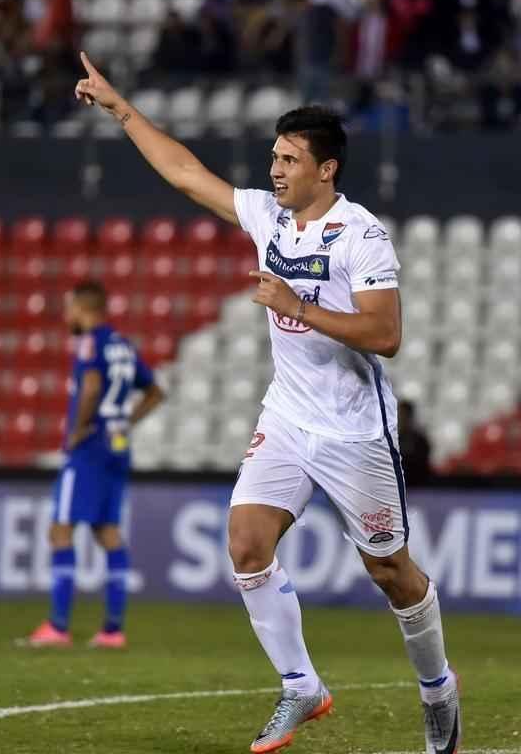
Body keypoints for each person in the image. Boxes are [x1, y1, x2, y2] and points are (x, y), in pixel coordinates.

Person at [74, 52, 461, 753]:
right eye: (274, 157)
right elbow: (188, 175)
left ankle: (438, 689)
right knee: (246, 544)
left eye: (288, 159)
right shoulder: (267, 216)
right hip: (287, 415)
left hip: (353, 431)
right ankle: (300, 685)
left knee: (390, 572)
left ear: (326, 169)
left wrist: (297, 305)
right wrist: (121, 109)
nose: (275, 169)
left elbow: (388, 334)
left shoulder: (361, 234)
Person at [28, 281, 164, 648]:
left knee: (61, 530)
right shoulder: (122, 345)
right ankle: (112, 630)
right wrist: (126, 422)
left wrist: (78, 429)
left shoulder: (90, 342)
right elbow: (155, 392)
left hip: (88, 449)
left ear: (84, 309)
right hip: (117, 446)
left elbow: (90, 386)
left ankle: (57, 626)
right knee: (108, 533)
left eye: (70, 308)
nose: (66, 315)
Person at [398, 400, 432, 486]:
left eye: (405, 415)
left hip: (417, 488)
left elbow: (423, 467)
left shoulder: (420, 440)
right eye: (400, 415)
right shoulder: (388, 440)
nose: (402, 418)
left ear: (410, 416)